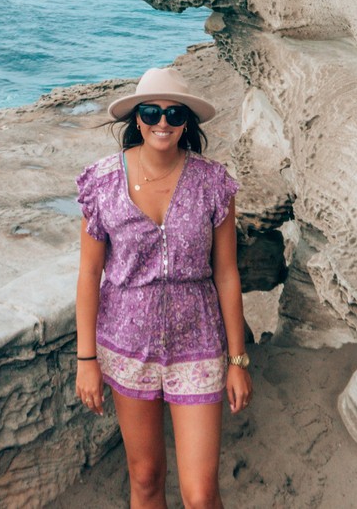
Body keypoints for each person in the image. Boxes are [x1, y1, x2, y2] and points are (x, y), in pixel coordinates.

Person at [74, 66, 252, 509]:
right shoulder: (101, 183)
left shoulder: (214, 183)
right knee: (147, 477)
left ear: (187, 123)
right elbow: (88, 274)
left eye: (174, 114)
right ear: (136, 118)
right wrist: (85, 360)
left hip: (198, 345)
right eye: (151, 112)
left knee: (200, 494)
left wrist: (237, 359)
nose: (162, 123)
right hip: (126, 347)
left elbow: (227, 273)